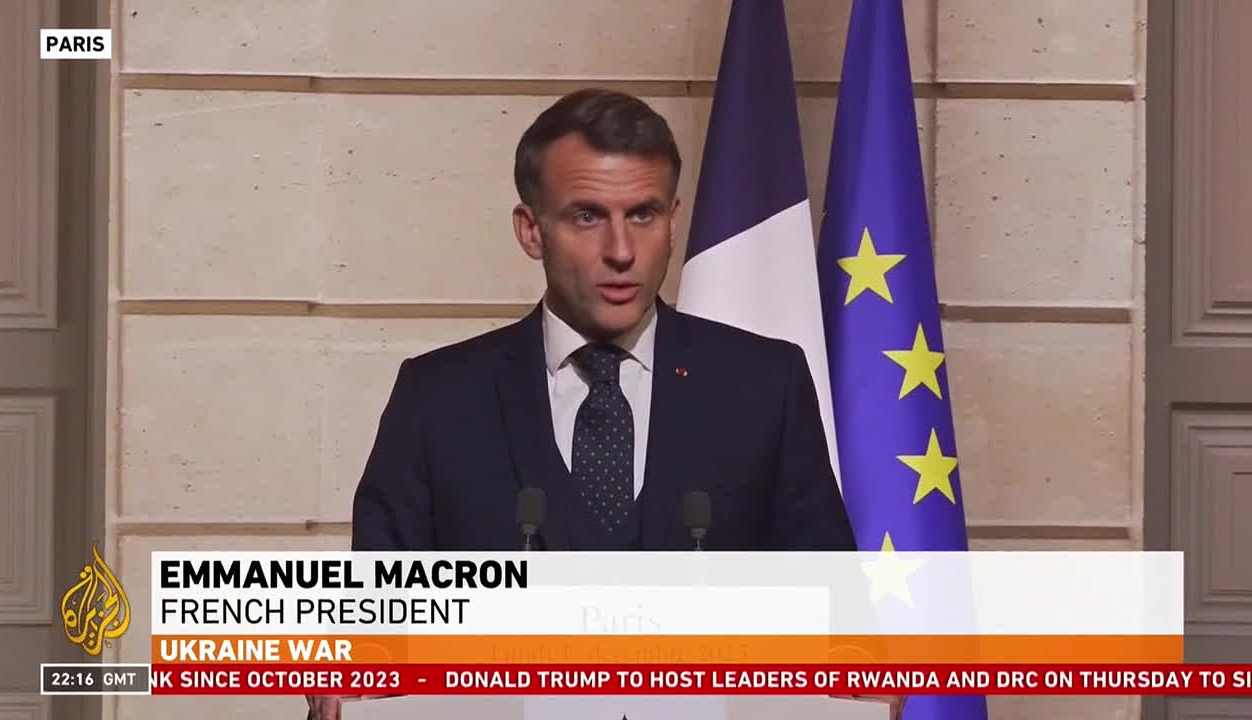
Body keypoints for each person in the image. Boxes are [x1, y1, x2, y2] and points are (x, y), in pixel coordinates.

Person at [309, 88, 901, 719]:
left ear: (674, 219)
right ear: (531, 230)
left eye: (643, 214)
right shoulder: (438, 398)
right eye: (587, 216)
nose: (621, 251)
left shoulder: (764, 384)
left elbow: (838, 630)